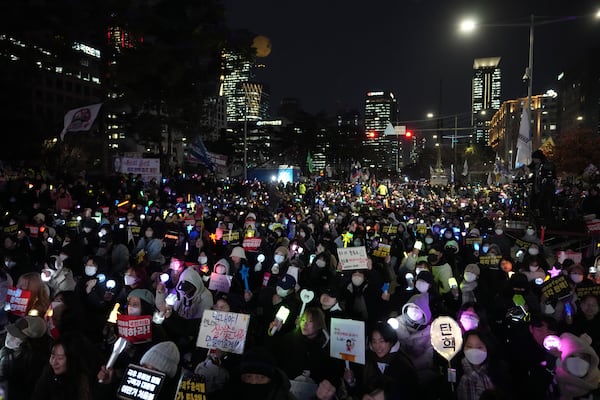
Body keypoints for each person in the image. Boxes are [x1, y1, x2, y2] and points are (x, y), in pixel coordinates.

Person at [343, 321, 418, 399]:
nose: (377, 346)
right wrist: (351, 382)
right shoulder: (367, 360)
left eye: (382, 341)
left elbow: (412, 393)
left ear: (391, 341)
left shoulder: (403, 363)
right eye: (374, 341)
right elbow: (359, 390)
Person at [31, 333, 93, 400]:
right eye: (52, 356)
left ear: (71, 360)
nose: (54, 362)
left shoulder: (82, 380)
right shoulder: (48, 370)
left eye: (60, 358)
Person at [456, 329, 513, 400]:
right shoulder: (457, 371)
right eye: (469, 347)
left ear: (487, 347)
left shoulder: (498, 371)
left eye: (479, 347)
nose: (474, 351)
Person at [528, 149, 556, 225]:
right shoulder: (536, 167)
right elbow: (533, 178)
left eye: (534, 158)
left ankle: (546, 222)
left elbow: (550, 177)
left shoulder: (546, 166)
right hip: (537, 190)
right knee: (534, 205)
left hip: (544, 191)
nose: (533, 160)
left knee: (544, 206)